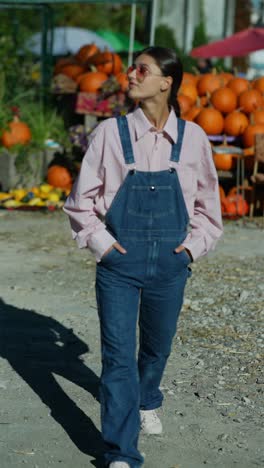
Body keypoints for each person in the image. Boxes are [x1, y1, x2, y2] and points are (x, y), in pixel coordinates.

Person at [63, 46, 223, 468]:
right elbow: (80, 203)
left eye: (142, 69)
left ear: (166, 82)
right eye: (133, 68)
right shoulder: (108, 135)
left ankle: (148, 396)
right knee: (117, 356)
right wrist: (102, 245)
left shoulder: (193, 140)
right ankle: (122, 452)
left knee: (156, 348)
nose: (130, 75)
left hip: (170, 265)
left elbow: (210, 208)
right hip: (119, 263)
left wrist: (190, 249)